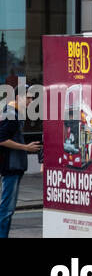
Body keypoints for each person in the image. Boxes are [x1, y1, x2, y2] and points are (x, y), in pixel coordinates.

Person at [0, 97, 40, 239]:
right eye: (28, 97)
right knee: (7, 209)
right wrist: (26, 147)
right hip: (11, 166)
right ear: (19, 97)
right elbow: (2, 139)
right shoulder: (11, 115)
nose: (31, 101)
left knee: (8, 209)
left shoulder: (14, 113)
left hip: (15, 166)